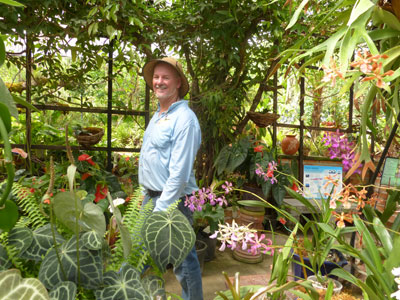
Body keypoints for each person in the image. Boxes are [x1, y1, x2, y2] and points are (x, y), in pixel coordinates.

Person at [139, 57, 203, 300]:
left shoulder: (185, 119)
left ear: (178, 82)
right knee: (141, 256)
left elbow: (179, 173)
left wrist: (161, 210)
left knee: (184, 264)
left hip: (174, 203)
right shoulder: (158, 115)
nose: (159, 82)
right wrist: (144, 195)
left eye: (165, 77)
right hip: (152, 198)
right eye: (156, 77)